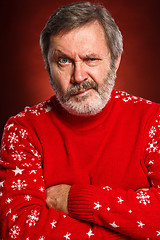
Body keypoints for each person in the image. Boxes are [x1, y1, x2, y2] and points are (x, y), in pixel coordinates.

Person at [0, 1, 160, 239]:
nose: (78, 76)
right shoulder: (23, 130)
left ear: (115, 61)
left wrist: (73, 199)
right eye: (64, 61)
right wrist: (132, 228)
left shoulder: (153, 120)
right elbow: (20, 229)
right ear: (48, 66)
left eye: (91, 59)